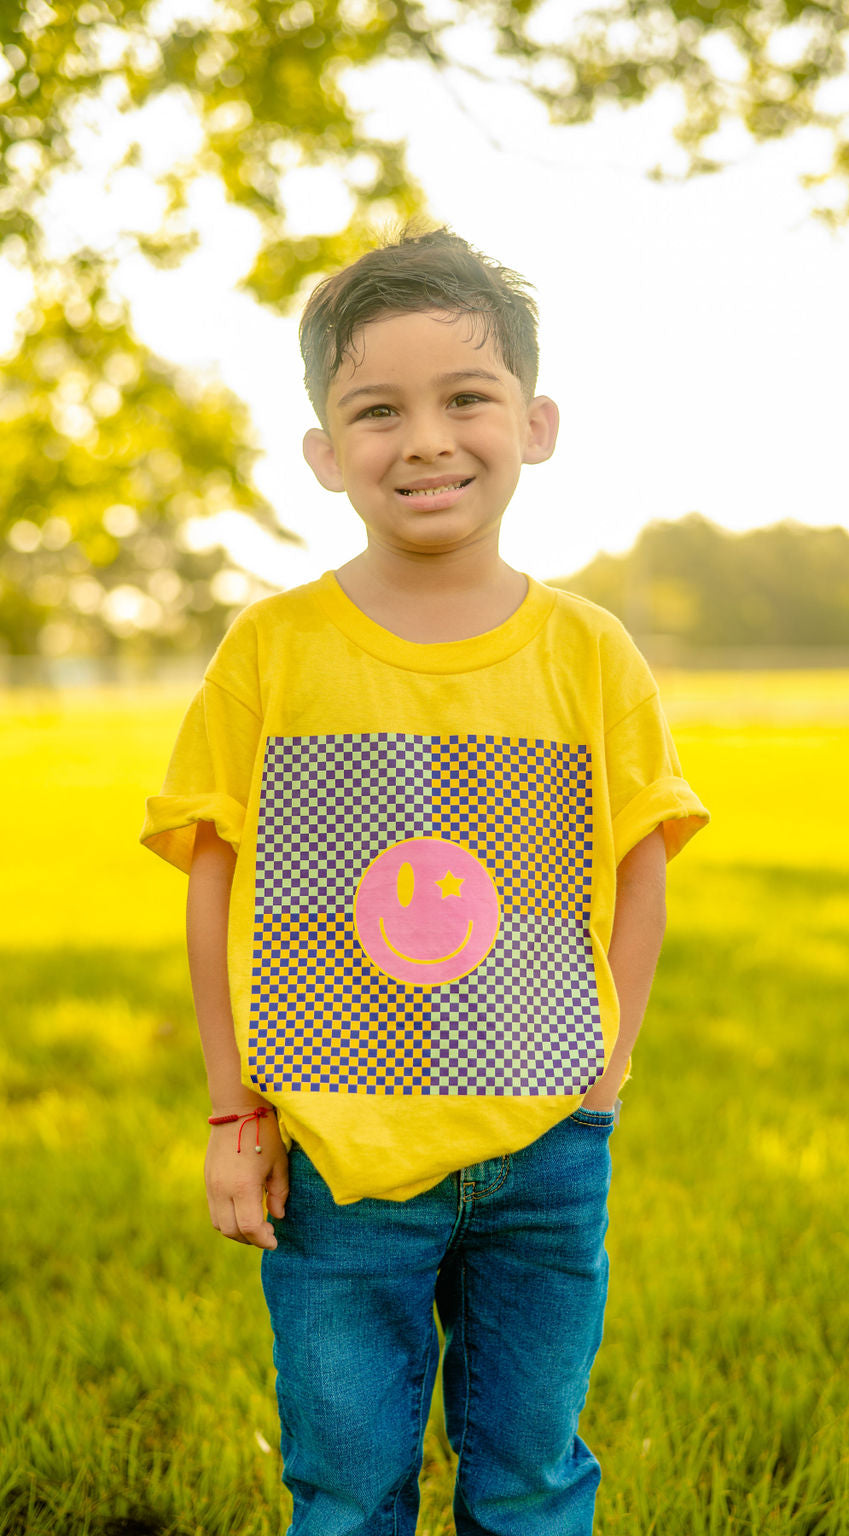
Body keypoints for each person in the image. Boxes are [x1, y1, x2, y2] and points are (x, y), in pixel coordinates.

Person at [140, 225, 710, 1536]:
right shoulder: (274, 651)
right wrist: (237, 1117)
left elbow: (639, 869)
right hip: (341, 1165)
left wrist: (604, 1066)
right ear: (325, 454)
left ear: (537, 422)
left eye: (467, 398)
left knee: (530, 1475)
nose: (427, 439)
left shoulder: (589, 651)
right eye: (376, 411)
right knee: (344, 1483)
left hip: (547, 1151)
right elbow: (215, 887)